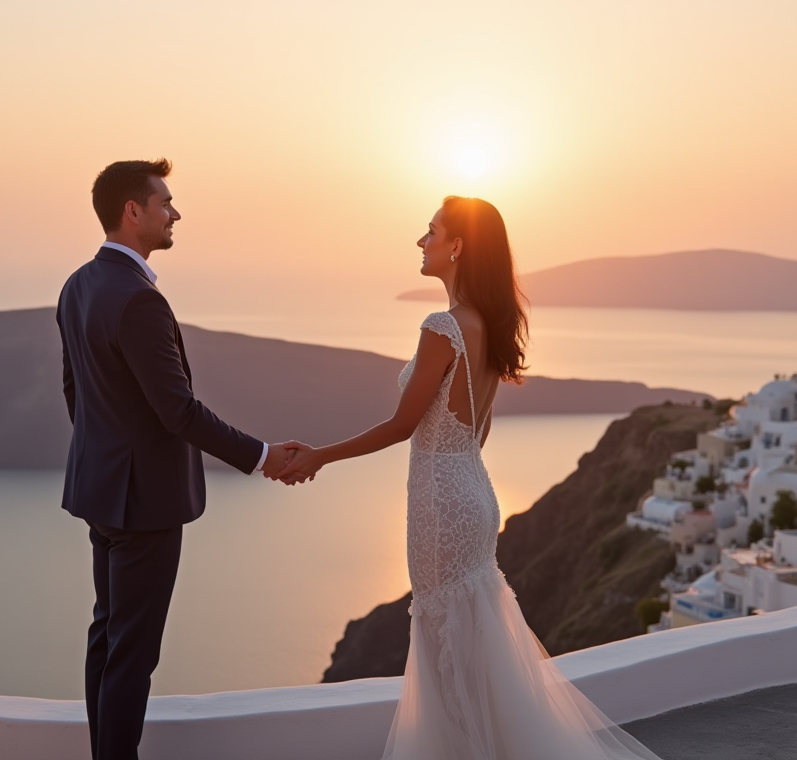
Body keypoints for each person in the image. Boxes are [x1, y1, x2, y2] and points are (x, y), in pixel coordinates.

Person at [278, 197, 664, 759]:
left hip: (440, 501)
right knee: (475, 646)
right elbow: (477, 431)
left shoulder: (442, 326)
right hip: (473, 491)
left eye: (431, 231)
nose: (421, 241)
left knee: (448, 656)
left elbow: (403, 425)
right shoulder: (487, 324)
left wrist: (320, 456)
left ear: (457, 245)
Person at [56, 159, 302, 760]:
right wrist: (263, 456)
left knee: (107, 636)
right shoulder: (138, 300)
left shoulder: (77, 285)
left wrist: (108, 458)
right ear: (132, 211)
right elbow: (179, 412)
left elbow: (74, 393)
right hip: (145, 505)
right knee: (133, 654)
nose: (175, 213)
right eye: (164, 202)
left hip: (101, 493)